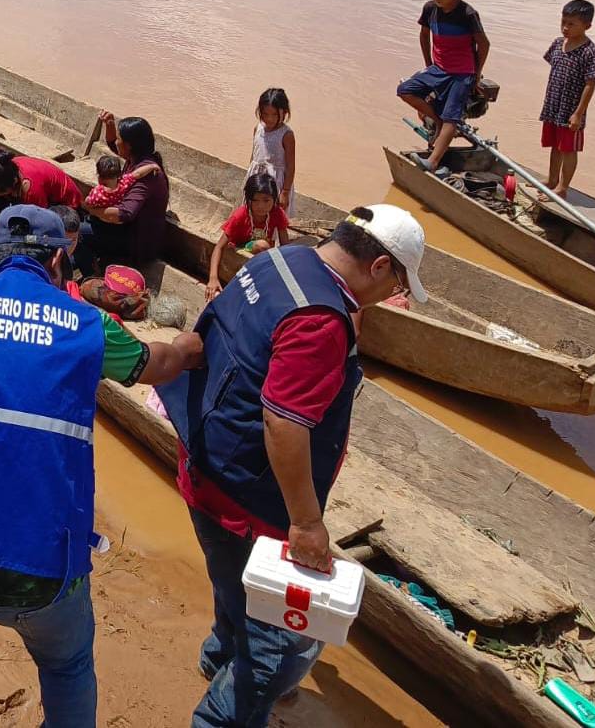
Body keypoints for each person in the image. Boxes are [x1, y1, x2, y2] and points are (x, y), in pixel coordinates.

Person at [0, 205, 204, 728]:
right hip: (44, 572)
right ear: (58, 259)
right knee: (67, 664)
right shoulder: (87, 325)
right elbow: (155, 365)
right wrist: (187, 346)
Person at [157, 204, 428, 728]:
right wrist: (306, 523)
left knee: (233, 587)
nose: (392, 296)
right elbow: (284, 423)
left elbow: (208, 334)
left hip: (204, 461)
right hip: (249, 497)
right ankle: (219, 717)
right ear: (377, 267)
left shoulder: (280, 260)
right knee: (276, 646)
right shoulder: (319, 321)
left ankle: (217, 657)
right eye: (396, 282)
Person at [397, 0, 490, 173]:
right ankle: (437, 121)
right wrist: (428, 64)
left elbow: (484, 45)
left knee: (452, 116)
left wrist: (475, 75)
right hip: (438, 68)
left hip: (462, 72)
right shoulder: (430, 9)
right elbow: (424, 35)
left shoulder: (467, 14)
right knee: (405, 90)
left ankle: (433, 161)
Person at [80, 112, 168, 274]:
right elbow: (113, 143)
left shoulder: (148, 175)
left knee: (78, 232)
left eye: (120, 139)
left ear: (129, 146)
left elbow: (123, 214)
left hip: (136, 241)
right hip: (126, 229)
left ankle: (93, 274)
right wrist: (110, 124)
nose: (116, 142)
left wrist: (90, 208)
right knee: (83, 221)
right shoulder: (136, 159)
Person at [540, 0, 595, 198]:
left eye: (571, 24)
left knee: (568, 149)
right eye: (563, 22)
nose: (565, 28)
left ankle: (563, 187)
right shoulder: (558, 44)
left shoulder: (589, 51)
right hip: (554, 105)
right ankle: (551, 180)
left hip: (571, 110)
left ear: (587, 26)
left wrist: (578, 114)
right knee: (554, 145)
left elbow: (590, 85)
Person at [206, 172, 291, 302]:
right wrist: (213, 278)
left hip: (263, 252)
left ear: (274, 199)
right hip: (240, 249)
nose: (261, 206)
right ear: (248, 200)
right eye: (255, 201)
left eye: (266, 200)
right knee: (263, 245)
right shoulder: (240, 215)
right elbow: (219, 247)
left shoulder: (277, 213)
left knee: (267, 247)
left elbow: (286, 246)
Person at [0, 150, 83, 247]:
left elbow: (38, 229)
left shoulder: (33, 192)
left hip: (63, 205)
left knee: (32, 242)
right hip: (28, 194)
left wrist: (12, 239)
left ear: (14, 182)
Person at [247, 88, 296, 218]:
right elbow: (253, 156)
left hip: (275, 183)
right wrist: (249, 178)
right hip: (257, 178)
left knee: (273, 216)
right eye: (265, 114)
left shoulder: (286, 135)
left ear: (284, 112)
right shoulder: (257, 129)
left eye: (274, 115)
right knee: (254, 213)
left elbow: (291, 166)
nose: (269, 119)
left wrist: (285, 192)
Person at [84, 153, 158, 210]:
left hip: (102, 221)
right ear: (119, 174)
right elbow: (138, 173)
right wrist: (152, 166)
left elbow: (88, 203)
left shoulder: (97, 193)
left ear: (100, 177)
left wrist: (87, 200)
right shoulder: (124, 183)